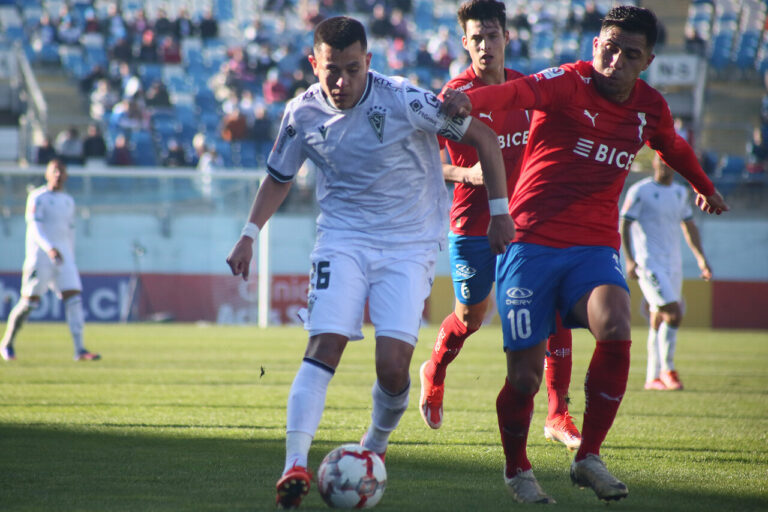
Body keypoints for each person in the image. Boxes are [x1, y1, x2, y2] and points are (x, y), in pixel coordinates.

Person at [225, 16, 515, 509]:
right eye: (331, 70)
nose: (341, 81)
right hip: (342, 240)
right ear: (314, 64)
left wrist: (500, 213)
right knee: (324, 345)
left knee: (393, 368)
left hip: (408, 246)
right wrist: (249, 234)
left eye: (353, 69)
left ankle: (373, 448)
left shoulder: (403, 98)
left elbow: (485, 140)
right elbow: (278, 176)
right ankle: (294, 463)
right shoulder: (300, 114)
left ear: (369, 64)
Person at [444, 5, 728, 503]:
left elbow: (674, 147)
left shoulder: (650, 108)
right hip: (529, 243)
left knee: (617, 322)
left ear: (648, 61)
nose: (614, 59)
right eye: (608, 47)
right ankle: (517, 468)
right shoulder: (569, 81)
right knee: (524, 376)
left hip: (593, 246)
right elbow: (516, 91)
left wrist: (703, 187)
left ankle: (587, 457)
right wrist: (471, 100)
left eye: (629, 53)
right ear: (596, 45)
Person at [418, 0, 581, 454]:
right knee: (472, 317)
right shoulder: (454, 97)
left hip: (528, 223)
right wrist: (464, 175)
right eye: (476, 38)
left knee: (553, 306)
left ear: (506, 38)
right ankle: (434, 370)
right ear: (465, 43)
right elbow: (423, 162)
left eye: (493, 35)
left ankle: (557, 412)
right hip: (473, 224)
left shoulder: (525, 91)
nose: (485, 45)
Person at [620, 154, 712, 391]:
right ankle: (668, 370)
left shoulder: (681, 193)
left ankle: (652, 378)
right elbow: (625, 224)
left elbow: (689, 226)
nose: (664, 166)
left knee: (658, 317)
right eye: (661, 161)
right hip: (649, 264)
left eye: (669, 162)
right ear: (654, 163)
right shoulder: (640, 191)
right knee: (673, 313)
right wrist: (629, 259)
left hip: (674, 264)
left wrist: (701, 259)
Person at [1, 160, 101, 362]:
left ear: (66, 176)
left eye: (61, 172)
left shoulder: (68, 201)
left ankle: (80, 349)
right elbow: (35, 228)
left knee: (74, 298)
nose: (58, 175)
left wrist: (70, 256)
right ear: (47, 174)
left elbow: (69, 232)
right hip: (41, 256)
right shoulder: (38, 197)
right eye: (54, 171)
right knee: (29, 302)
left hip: (64, 258)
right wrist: (49, 248)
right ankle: (7, 343)